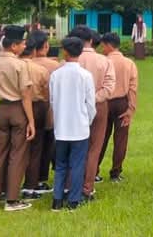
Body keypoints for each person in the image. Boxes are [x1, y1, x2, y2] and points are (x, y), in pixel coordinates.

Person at [0, 26, 36, 212]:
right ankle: (12, 200)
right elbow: (26, 95)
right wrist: (31, 121)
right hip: (18, 109)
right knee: (17, 155)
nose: (25, 46)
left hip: (1, 109)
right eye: (23, 43)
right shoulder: (21, 65)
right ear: (14, 45)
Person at [48, 37, 97, 211]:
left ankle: (57, 200)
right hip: (80, 127)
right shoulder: (85, 75)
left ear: (65, 52)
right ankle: (74, 200)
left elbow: (52, 101)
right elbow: (91, 104)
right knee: (77, 164)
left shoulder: (56, 74)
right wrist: (88, 121)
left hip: (61, 127)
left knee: (60, 164)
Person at [71, 26, 115, 198]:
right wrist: (94, 98)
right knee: (94, 147)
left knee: (75, 146)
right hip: (99, 106)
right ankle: (87, 186)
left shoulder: (69, 60)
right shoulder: (104, 61)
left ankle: (71, 184)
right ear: (90, 40)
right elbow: (109, 87)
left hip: (75, 106)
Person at [99, 32, 139, 182]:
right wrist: (131, 109)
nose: (102, 49)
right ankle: (116, 172)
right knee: (121, 139)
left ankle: (94, 169)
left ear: (109, 46)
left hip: (105, 102)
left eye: (103, 46)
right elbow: (133, 88)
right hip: (122, 102)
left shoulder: (103, 61)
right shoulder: (129, 63)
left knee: (100, 137)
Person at [21, 31, 53, 200]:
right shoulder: (49, 67)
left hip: (18, 106)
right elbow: (48, 93)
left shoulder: (18, 65)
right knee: (38, 146)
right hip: (40, 106)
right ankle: (35, 182)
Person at [29, 38, 62, 196]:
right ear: (46, 46)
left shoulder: (25, 63)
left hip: (25, 108)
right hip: (46, 108)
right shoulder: (55, 66)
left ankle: (27, 178)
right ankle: (40, 178)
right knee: (45, 145)